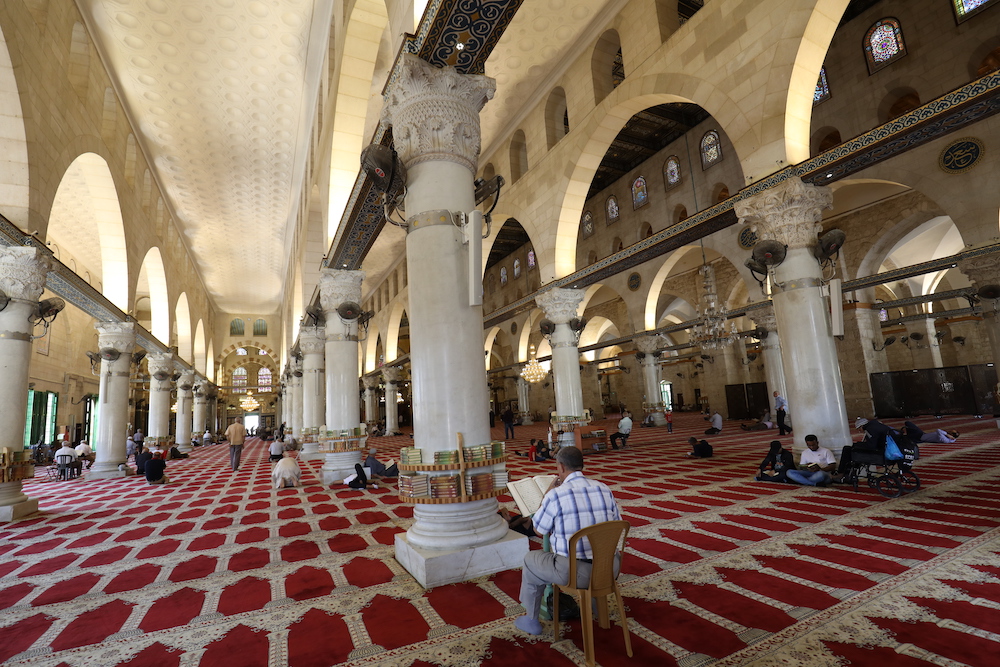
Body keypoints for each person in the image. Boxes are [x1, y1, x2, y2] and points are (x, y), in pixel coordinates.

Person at [514, 446, 622, 636]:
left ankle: (531, 620)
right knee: (596, 550)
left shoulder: (556, 494)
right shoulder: (604, 488)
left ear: (561, 467)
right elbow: (616, 524)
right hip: (609, 568)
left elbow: (538, 530)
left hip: (575, 573)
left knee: (530, 560)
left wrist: (547, 494)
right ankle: (599, 610)